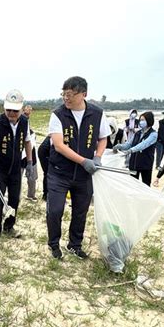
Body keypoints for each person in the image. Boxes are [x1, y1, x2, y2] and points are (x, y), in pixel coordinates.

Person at [47, 76, 110, 259]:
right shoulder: (58, 114)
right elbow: (59, 145)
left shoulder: (97, 114)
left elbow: (103, 138)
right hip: (59, 173)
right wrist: (84, 160)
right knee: (55, 210)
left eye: (70, 94)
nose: (66, 98)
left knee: (80, 211)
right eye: (64, 94)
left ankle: (75, 245)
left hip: (84, 175)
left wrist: (97, 157)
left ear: (84, 94)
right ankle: (53, 244)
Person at [0, 89, 34, 242]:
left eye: (15, 110)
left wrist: (30, 162)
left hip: (16, 169)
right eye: (8, 109)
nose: (11, 113)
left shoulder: (24, 121)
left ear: (21, 108)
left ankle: (9, 226)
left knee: (14, 199)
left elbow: (27, 141)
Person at [113, 112, 157, 186]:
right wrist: (119, 146)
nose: (140, 122)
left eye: (143, 120)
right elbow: (129, 144)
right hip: (134, 163)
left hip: (145, 164)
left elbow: (143, 145)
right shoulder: (138, 133)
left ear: (149, 120)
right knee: (132, 185)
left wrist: (131, 150)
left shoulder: (153, 134)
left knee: (145, 185)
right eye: (140, 120)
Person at [21, 105, 38, 201]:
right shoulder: (22, 119)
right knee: (17, 177)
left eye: (30, 109)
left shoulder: (28, 123)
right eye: (27, 108)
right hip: (21, 154)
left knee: (32, 176)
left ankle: (31, 195)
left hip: (31, 153)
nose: (29, 110)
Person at [37, 136, 50, 201]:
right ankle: (46, 195)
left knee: (48, 173)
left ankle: (47, 194)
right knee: (47, 173)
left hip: (46, 151)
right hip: (44, 152)